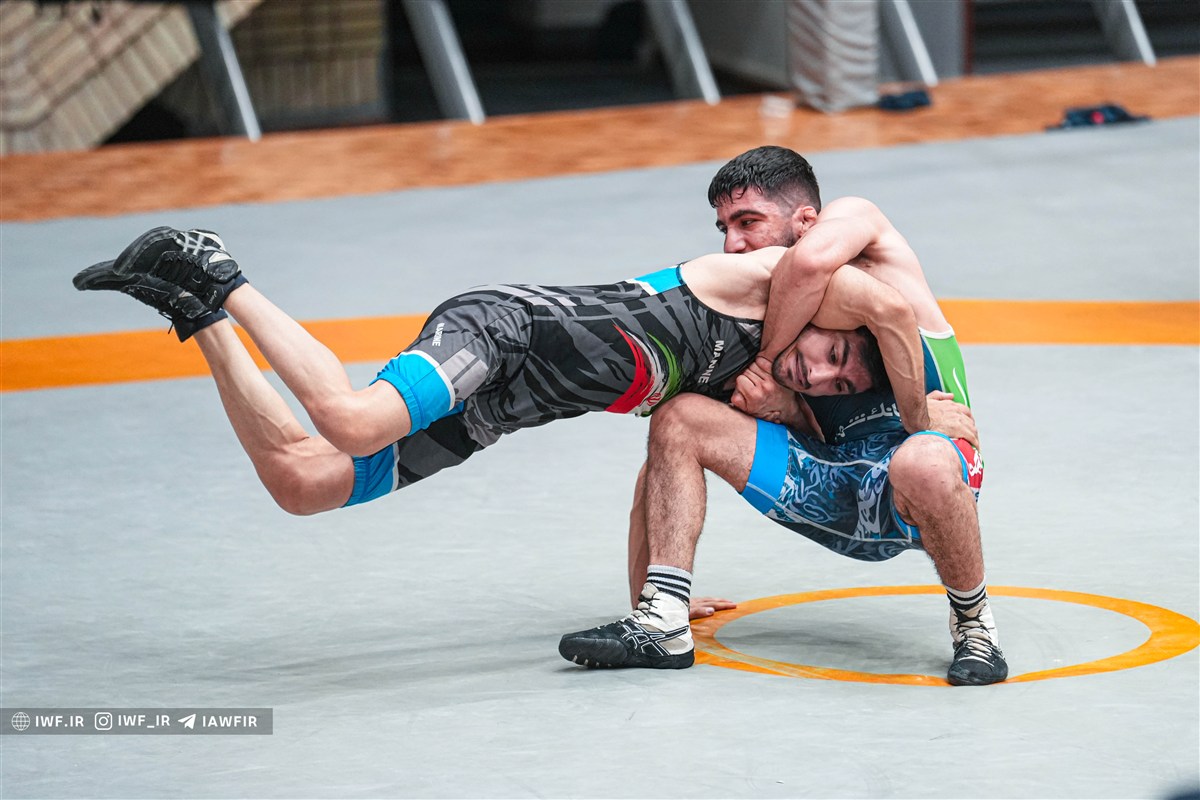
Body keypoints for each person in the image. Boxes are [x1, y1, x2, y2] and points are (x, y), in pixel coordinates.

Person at [72, 223, 942, 519]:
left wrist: (658, 596)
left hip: (497, 411)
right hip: (502, 332)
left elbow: (662, 468)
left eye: (835, 384)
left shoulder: (744, 388)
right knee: (352, 421)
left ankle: (196, 310)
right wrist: (928, 419)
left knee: (303, 484)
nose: (821, 370)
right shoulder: (772, 281)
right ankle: (217, 266)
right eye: (835, 352)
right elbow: (892, 312)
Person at [562, 146, 1006, 686]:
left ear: (806, 220)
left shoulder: (864, 236)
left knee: (923, 459)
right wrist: (648, 595)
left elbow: (809, 264)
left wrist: (914, 419)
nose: (733, 244)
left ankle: (975, 625)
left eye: (749, 222)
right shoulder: (754, 324)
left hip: (925, 482)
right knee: (680, 416)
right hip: (835, 495)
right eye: (724, 228)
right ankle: (662, 623)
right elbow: (661, 464)